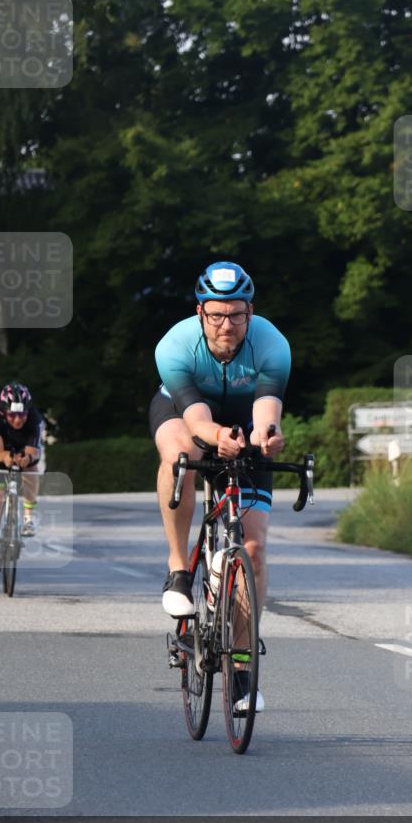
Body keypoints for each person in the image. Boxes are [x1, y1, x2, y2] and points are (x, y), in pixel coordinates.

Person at [149, 261, 291, 712]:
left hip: (244, 419)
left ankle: (244, 675)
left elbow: (267, 407)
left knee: (253, 549)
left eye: (236, 314)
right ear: (199, 312)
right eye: (216, 315)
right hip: (184, 412)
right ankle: (178, 568)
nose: (226, 325)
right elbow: (196, 420)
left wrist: (265, 436)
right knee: (180, 456)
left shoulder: (273, 345)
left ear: (251, 312)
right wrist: (217, 440)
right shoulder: (174, 346)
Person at [0, 382, 43, 578]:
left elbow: (33, 448)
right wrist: (5, 457)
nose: (17, 420)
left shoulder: (34, 418)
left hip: (24, 452)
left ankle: (28, 516)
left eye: (22, 415)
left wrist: (27, 458)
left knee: (32, 467)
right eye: (12, 415)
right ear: (4, 411)